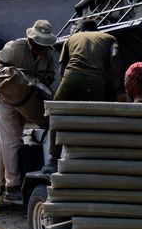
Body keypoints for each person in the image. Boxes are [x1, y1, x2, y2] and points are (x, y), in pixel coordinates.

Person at [0, 19, 57, 202]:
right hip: (4, 98)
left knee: (8, 139)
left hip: (27, 100)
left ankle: (2, 183)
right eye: (37, 44)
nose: (39, 48)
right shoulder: (14, 48)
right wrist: (18, 78)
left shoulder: (49, 55)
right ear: (30, 39)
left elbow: (48, 78)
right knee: (12, 140)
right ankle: (12, 186)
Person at [44, 19, 124, 173]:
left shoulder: (71, 39)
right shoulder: (109, 38)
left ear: (80, 30)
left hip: (71, 77)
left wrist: (65, 90)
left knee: (56, 115)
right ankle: (96, 159)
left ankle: (53, 161)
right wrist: (118, 90)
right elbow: (114, 57)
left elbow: (62, 66)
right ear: (97, 29)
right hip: (95, 81)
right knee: (96, 119)